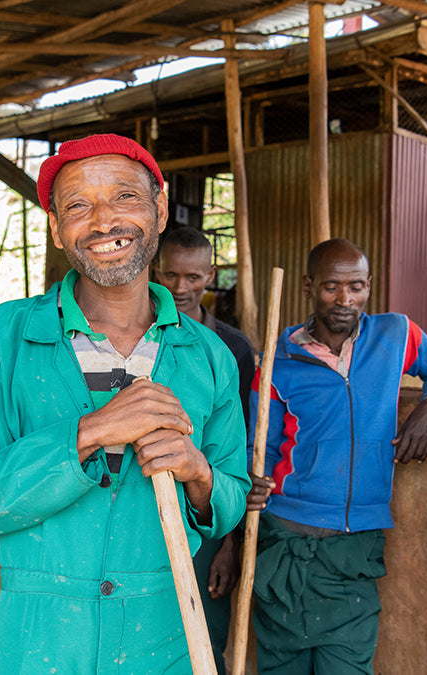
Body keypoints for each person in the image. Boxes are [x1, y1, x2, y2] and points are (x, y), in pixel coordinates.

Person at [0, 134, 250, 673]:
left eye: (125, 198)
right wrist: (88, 432)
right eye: (77, 206)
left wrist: (201, 475)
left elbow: (231, 498)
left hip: (163, 643)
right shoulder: (3, 340)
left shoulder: (206, 355)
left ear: (160, 209)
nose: (103, 221)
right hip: (39, 647)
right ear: (55, 228)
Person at [245, 238, 427, 674]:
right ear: (308, 286)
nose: (345, 300)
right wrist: (252, 483)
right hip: (284, 539)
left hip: (355, 547)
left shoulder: (396, 334)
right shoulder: (278, 360)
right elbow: (260, 452)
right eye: (331, 287)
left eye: (357, 286)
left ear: (368, 286)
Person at [156, 226, 255, 673]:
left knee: (204, 645)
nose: (181, 287)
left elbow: (236, 455)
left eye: (193, 277)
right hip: (144, 518)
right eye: (172, 275)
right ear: (156, 269)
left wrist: (228, 544)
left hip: (207, 523)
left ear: (211, 275)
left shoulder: (233, 349)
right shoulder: (142, 338)